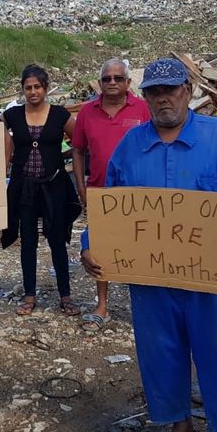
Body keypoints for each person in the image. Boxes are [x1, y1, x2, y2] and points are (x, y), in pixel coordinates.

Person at [81, 58, 217, 432]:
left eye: (171, 89)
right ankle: (178, 428)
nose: (163, 98)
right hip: (152, 278)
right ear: (144, 97)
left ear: (187, 90)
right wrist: (91, 242)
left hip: (210, 278)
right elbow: (111, 205)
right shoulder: (131, 146)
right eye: (154, 92)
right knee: (160, 350)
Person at [71, 58, 150, 332]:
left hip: (138, 193)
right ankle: (102, 305)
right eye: (107, 79)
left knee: (140, 245)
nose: (112, 83)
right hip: (100, 192)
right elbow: (78, 150)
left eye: (118, 78)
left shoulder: (142, 109)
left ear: (128, 82)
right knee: (99, 247)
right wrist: (81, 187)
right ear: (100, 82)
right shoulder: (87, 112)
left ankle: (143, 304)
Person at [1, 64, 82, 316]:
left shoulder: (59, 115)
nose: (33, 91)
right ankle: (29, 296)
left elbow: (79, 142)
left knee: (57, 240)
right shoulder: (12, 115)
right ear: (23, 89)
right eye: (28, 87)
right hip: (24, 188)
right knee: (28, 241)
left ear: (45, 88)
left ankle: (66, 296)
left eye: (37, 87)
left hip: (54, 185)